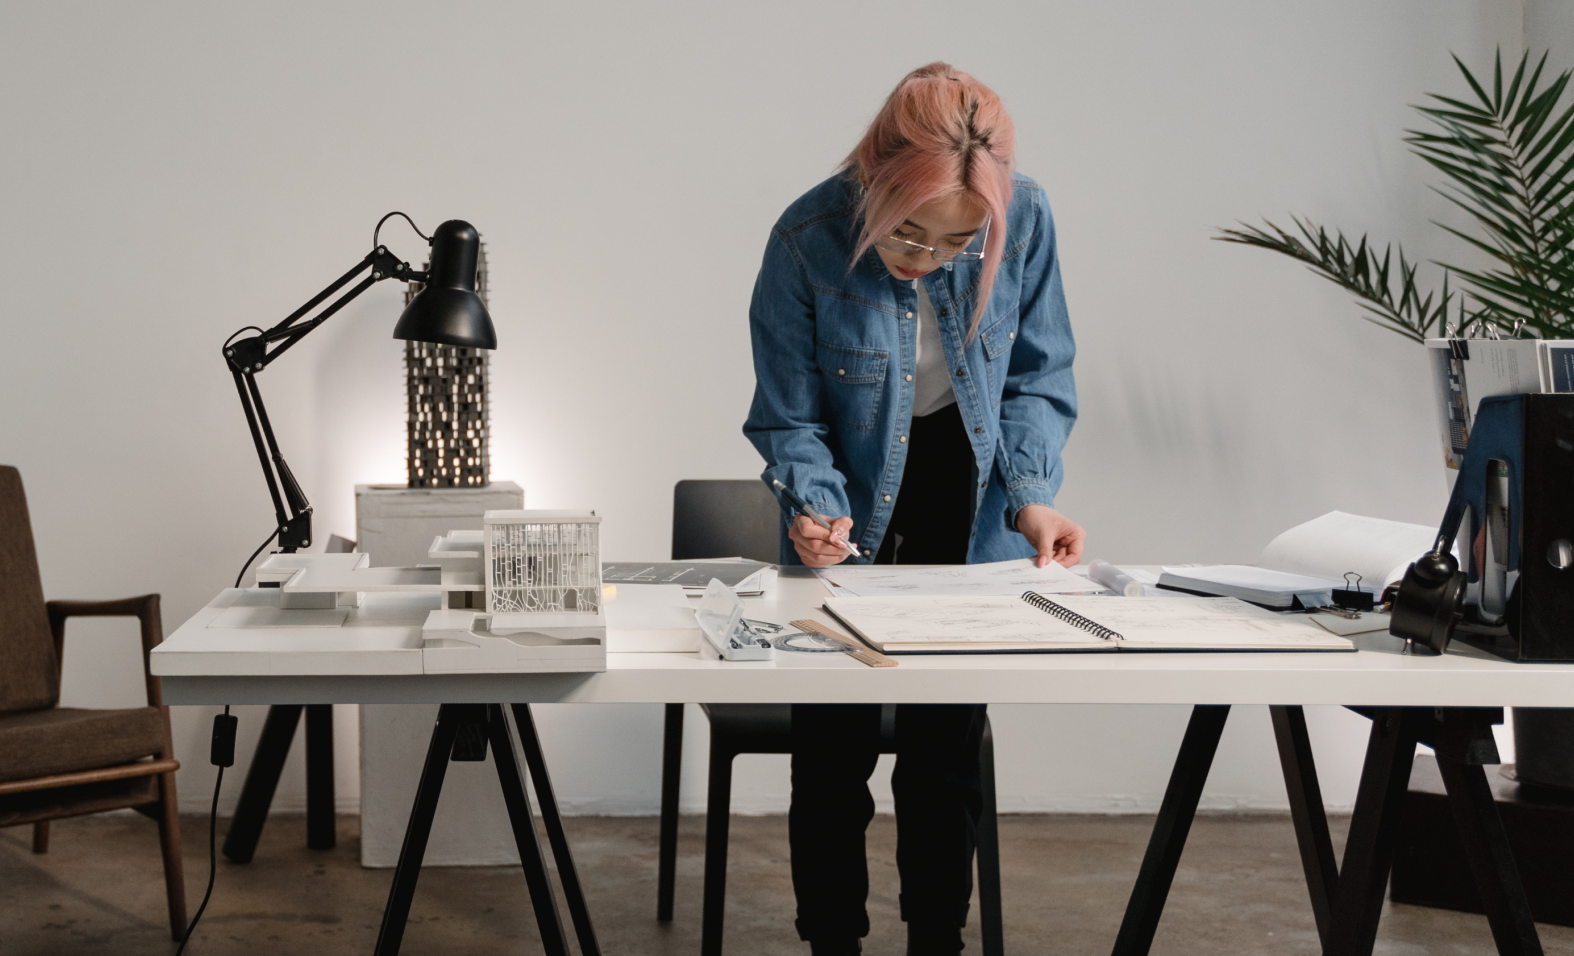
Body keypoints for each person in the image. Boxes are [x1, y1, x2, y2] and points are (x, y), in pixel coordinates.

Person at [742, 63, 1084, 955]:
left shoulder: (1027, 218)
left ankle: (939, 939)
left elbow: (1039, 379)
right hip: (846, 513)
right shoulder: (806, 237)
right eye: (906, 233)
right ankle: (833, 944)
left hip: (967, 510)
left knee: (942, 762)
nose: (923, 259)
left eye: (955, 244)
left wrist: (1032, 501)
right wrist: (815, 507)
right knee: (831, 764)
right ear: (874, 178)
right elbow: (789, 412)